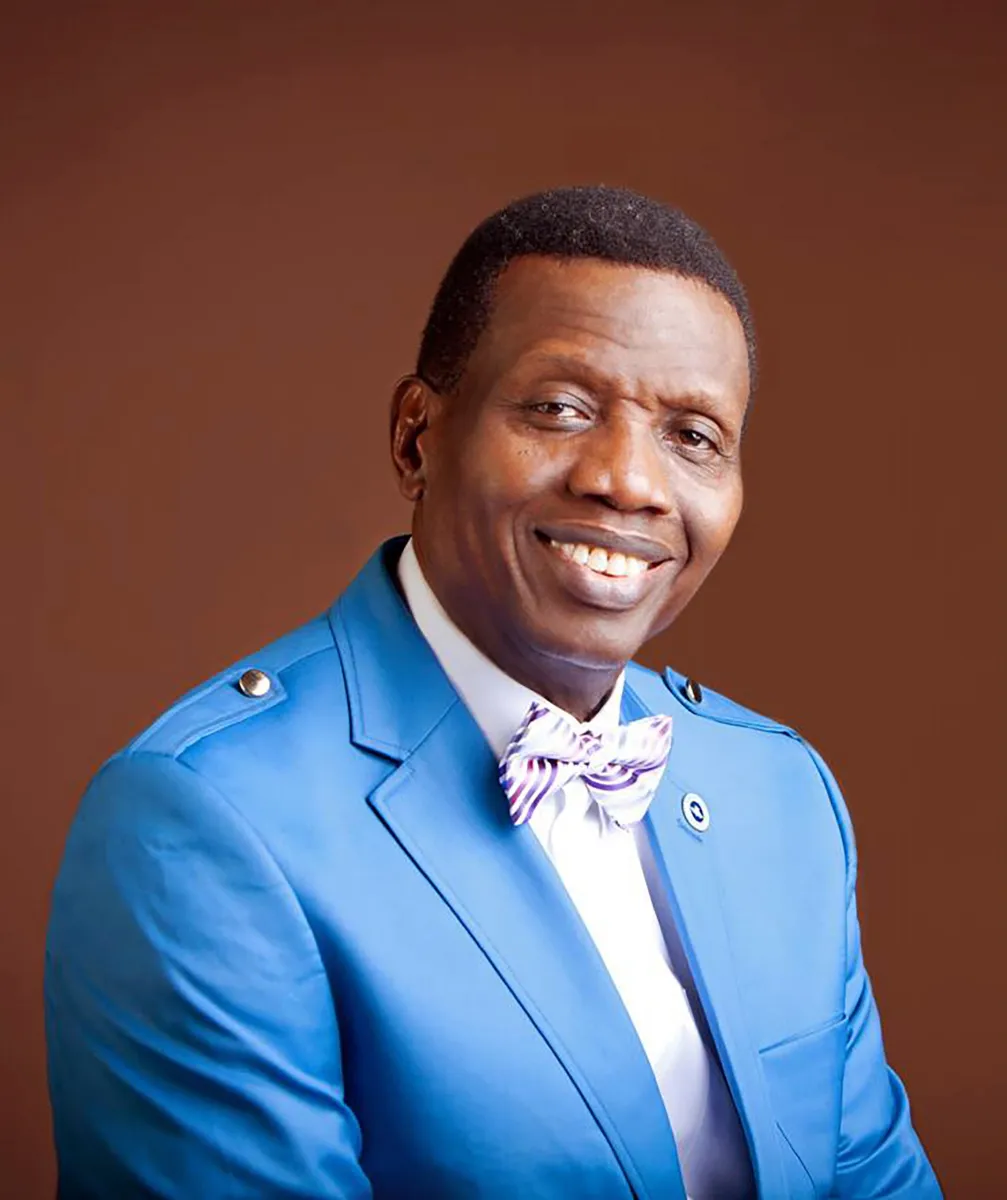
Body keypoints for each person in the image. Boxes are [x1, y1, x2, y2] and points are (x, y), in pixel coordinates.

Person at [45, 186, 941, 1199]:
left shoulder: (780, 792)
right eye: (559, 408)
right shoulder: (203, 821)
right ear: (415, 437)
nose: (627, 481)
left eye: (693, 436)